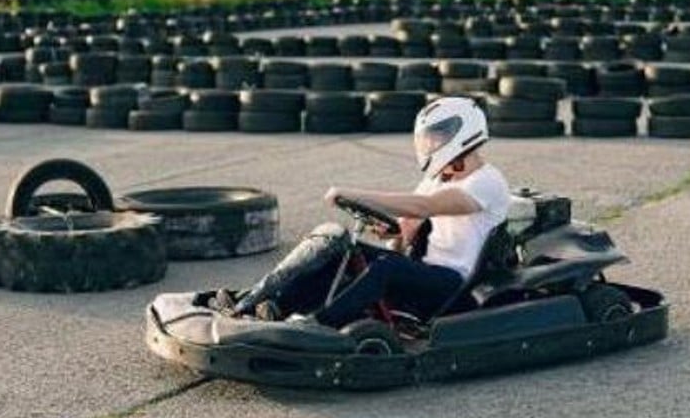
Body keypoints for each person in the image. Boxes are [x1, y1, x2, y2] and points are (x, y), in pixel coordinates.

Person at [219, 96, 511, 328]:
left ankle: (318, 325)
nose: (430, 144)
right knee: (342, 249)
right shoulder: (437, 179)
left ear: (460, 133)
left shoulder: (487, 181)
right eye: (429, 138)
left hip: (454, 282)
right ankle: (267, 303)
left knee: (386, 267)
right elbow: (406, 232)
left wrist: (352, 193)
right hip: (424, 270)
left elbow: (424, 206)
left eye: (436, 137)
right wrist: (394, 232)